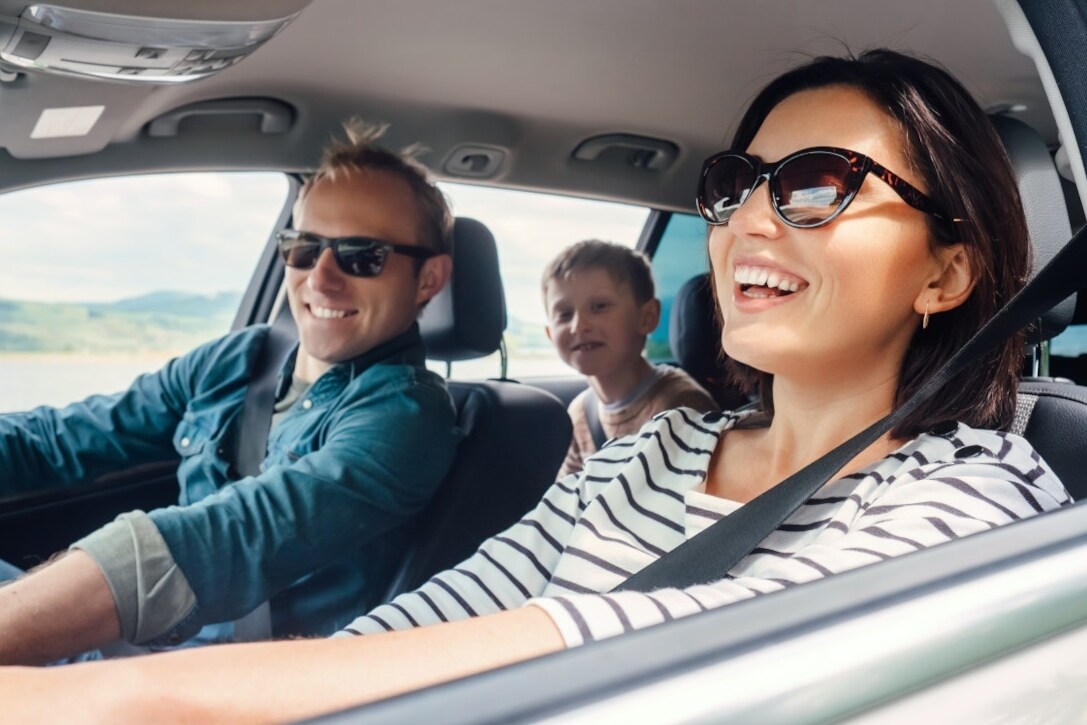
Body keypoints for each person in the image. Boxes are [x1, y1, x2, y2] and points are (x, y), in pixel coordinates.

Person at [0, 49, 1073, 722]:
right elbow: (451, 611)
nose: (745, 217)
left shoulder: (978, 488)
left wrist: (124, 695)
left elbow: (688, 644)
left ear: (945, 268)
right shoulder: (650, 453)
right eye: (735, 183)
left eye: (814, 184)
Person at [0, 121, 460, 665]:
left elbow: (232, 538)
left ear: (428, 280)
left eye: (363, 256)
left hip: (219, 683)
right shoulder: (241, 360)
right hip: (140, 649)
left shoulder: (407, 414)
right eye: (305, 248)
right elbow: (61, 438)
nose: (321, 279)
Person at [542, 239, 717, 475]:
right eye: (564, 314)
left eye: (599, 306)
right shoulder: (581, 411)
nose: (578, 325)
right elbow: (567, 497)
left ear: (646, 317)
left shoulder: (682, 406)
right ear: (550, 334)